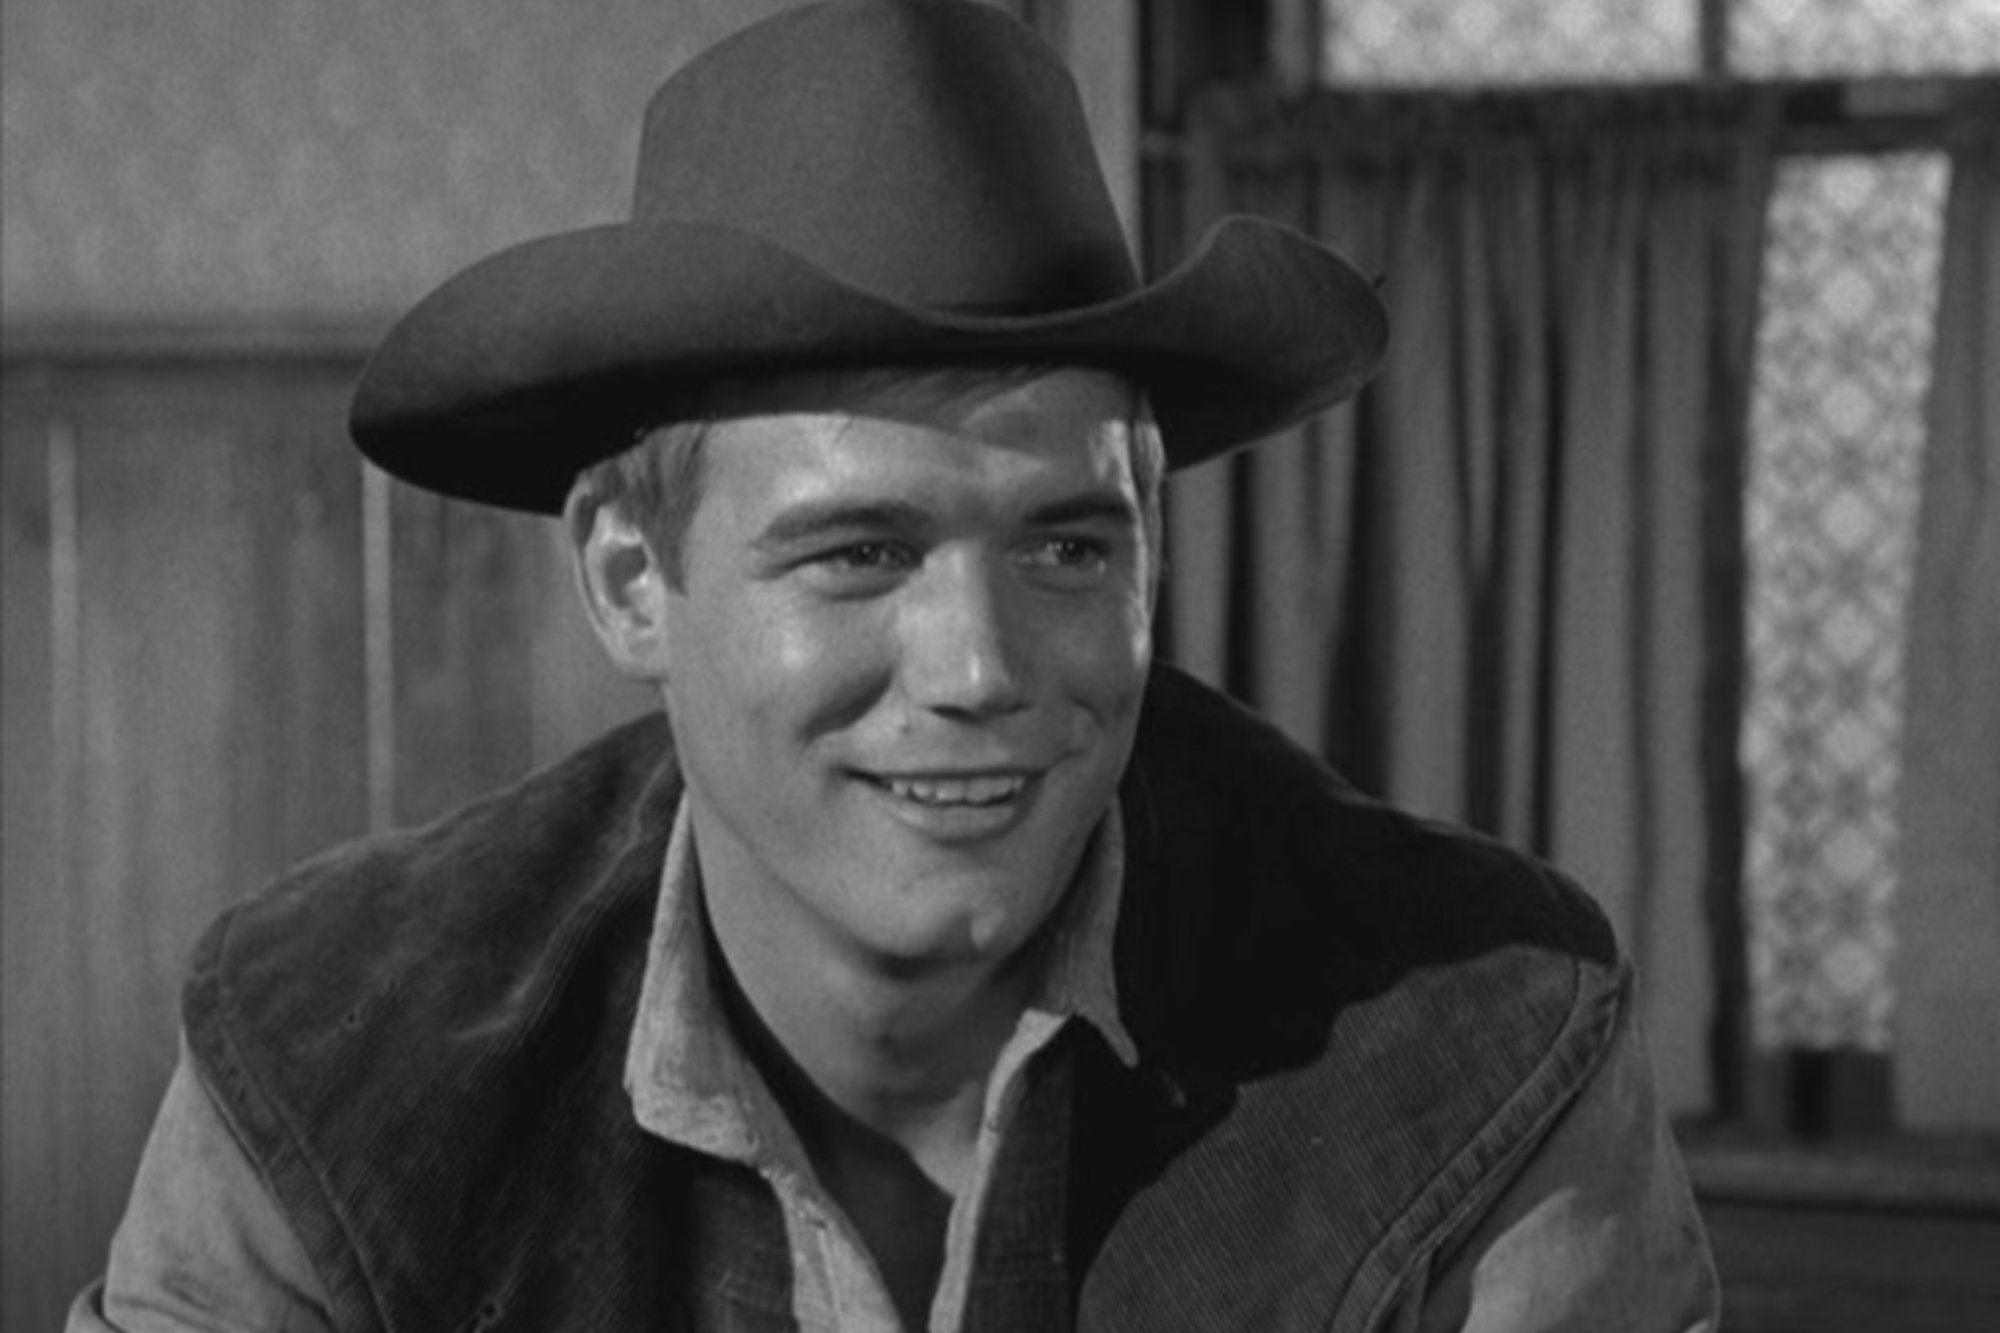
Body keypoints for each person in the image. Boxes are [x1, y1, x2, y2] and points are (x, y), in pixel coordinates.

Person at [71, 1, 1718, 1329]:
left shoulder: (1483, 1035)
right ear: (634, 576)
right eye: (860, 552)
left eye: (1070, 547)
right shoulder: (330, 1061)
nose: (985, 665)